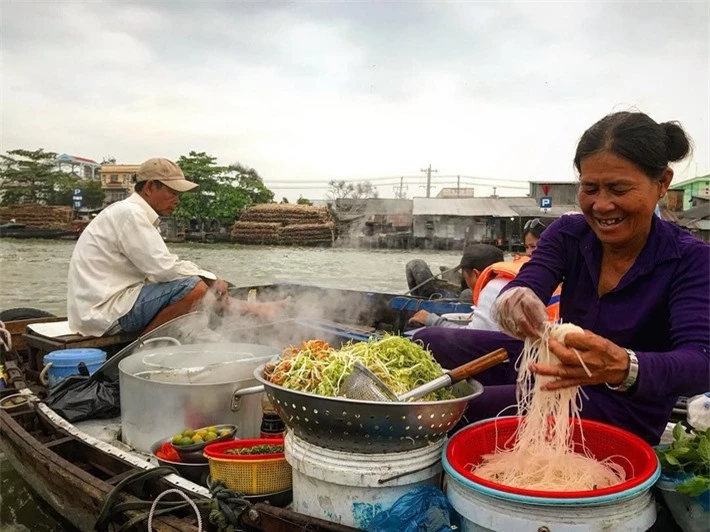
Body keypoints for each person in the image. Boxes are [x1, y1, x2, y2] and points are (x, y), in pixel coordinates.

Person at [415, 111, 710, 445]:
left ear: (662, 183)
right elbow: (529, 281)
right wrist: (515, 300)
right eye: (590, 188)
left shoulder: (690, 259)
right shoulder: (570, 234)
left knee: (469, 407)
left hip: (623, 407)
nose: (601, 205)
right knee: (429, 341)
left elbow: (701, 361)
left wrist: (625, 366)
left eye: (618, 189)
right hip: (555, 366)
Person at [67, 158, 284, 337]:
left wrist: (209, 280)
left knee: (200, 287)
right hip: (103, 311)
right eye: (173, 192)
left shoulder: (128, 213)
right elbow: (164, 270)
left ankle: (256, 309)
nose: (177, 200)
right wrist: (209, 278)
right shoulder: (131, 214)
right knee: (194, 289)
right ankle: (142, 349)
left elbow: (161, 267)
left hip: (101, 307)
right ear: (151, 187)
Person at [408, 244, 503, 329]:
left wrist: (430, 320)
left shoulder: (490, 292)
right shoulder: (505, 283)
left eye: (465, 277)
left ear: (475, 274)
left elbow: (470, 335)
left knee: (424, 335)